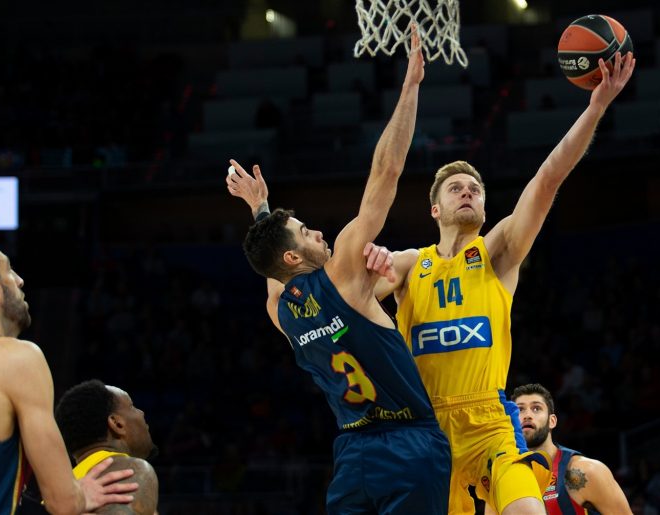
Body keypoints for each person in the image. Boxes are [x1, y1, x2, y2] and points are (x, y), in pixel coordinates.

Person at [363, 51, 637, 514]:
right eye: (456, 188)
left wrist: (596, 108)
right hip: (427, 429)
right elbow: (353, 308)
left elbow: (547, 179)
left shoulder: (497, 252)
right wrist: (369, 268)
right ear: (435, 210)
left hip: (491, 422)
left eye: (476, 188)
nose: (467, 191)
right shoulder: (410, 264)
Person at [226, 27, 452, 515]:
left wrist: (262, 208)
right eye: (307, 232)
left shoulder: (281, 311)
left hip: (352, 452)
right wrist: (410, 86)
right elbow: (385, 175)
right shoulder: (342, 275)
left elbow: (270, 266)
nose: (319, 234)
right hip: (409, 443)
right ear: (293, 256)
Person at [0, 229, 138, 514]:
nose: (20, 280)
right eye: (9, 271)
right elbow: (63, 502)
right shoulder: (16, 359)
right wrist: (81, 493)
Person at [512, 383, 633, 514]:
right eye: (520, 410)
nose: (527, 415)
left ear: (552, 421)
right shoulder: (504, 481)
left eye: (536, 408)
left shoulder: (586, 471)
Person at [55, 379, 159, 515]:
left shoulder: (59, 493)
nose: (141, 413)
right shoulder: (131, 470)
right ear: (117, 424)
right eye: (132, 406)